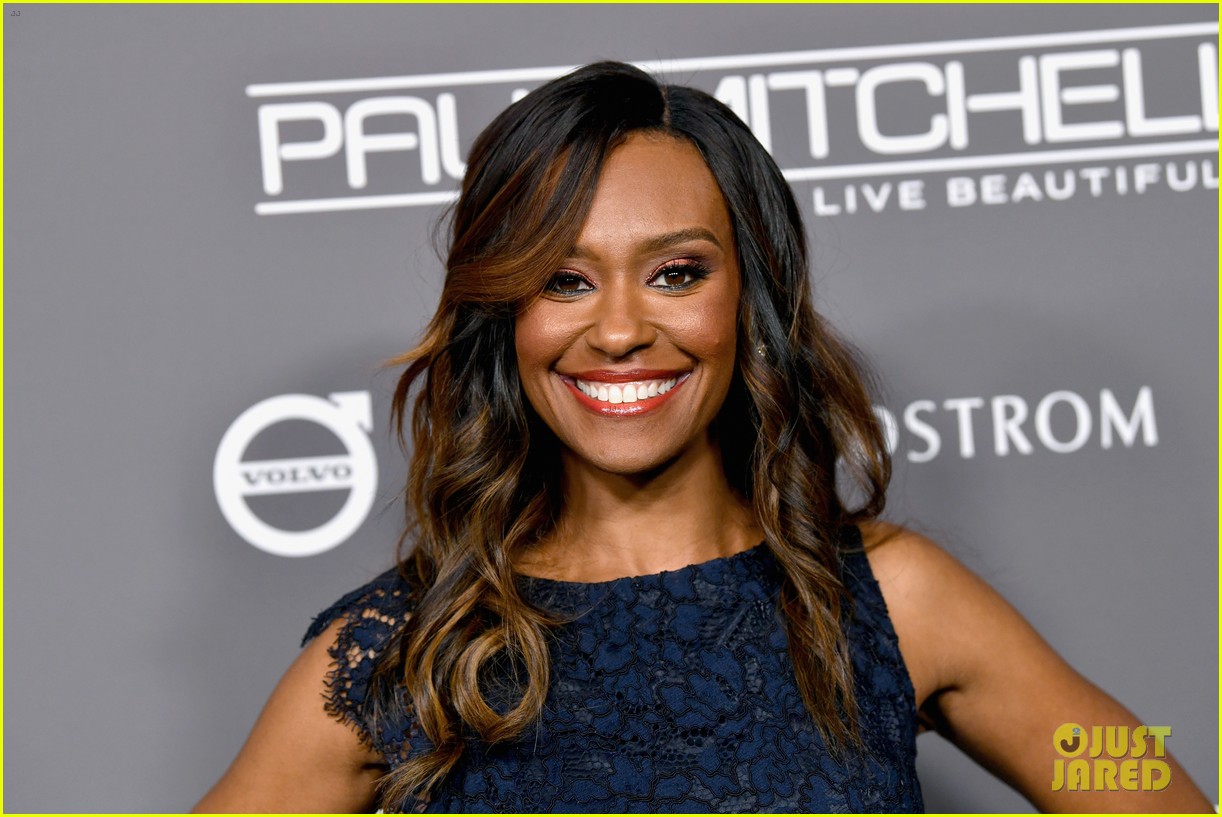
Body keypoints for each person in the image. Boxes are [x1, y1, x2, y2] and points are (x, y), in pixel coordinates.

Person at [194, 62, 1211, 813]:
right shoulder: (406, 649)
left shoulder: (894, 598)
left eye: (676, 273)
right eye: (563, 279)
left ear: (748, 298)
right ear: (505, 317)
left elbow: (1136, 780)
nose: (620, 329)